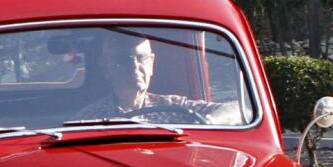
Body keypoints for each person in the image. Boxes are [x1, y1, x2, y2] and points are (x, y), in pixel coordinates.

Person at [68, 35, 240, 125]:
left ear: (151, 64)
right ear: (106, 68)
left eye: (141, 59)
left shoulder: (174, 107)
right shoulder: (87, 119)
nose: (134, 67)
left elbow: (238, 109)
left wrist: (206, 122)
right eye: (123, 60)